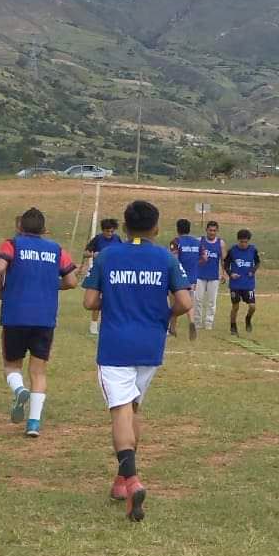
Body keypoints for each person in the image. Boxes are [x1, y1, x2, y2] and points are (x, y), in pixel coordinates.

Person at [83, 199, 193, 521]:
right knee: (132, 408)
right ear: (156, 228)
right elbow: (185, 301)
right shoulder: (164, 257)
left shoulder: (107, 255)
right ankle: (121, 479)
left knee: (120, 410)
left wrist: (114, 297)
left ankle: (132, 479)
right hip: (150, 345)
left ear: (124, 226)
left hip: (116, 345)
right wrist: (162, 312)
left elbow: (90, 301)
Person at [0, 208, 78, 437]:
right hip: (45, 317)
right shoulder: (56, 249)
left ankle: (19, 389)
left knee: (12, 365)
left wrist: (0, 288)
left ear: (20, 226)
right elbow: (71, 281)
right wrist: (51, 285)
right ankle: (33, 423)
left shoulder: (12, 244)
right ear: (44, 230)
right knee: (39, 372)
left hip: (15, 315)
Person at [81, 219, 122, 334]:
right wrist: (94, 254)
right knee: (95, 297)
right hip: (99, 271)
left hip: (113, 271)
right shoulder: (97, 239)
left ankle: (112, 322)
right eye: (108, 231)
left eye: (112, 231)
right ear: (103, 230)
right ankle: (94, 324)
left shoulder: (117, 239)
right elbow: (85, 253)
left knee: (113, 296)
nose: (110, 234)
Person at [169, 219, 203, 340]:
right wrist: (194, 264)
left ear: (178, 229)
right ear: (189, 229)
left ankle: (172, 328)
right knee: (190, 301)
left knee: (174, 302)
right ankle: (192, 321)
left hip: (178, 277)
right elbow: (204, 257)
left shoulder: (176, 241)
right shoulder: (197, 242)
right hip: (193, 277)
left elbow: (174, 259)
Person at [225, 229, 259, 335]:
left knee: (252, 306)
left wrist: (252, 271)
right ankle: (233, 325)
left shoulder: (253, 250)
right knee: (235, 306)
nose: (243, 244)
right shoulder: (232, 251)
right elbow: (226, 264)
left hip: (248, 283)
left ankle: (248, 319)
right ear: (238, 240)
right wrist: (231, 274)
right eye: (241, 242)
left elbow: (257, 263)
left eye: (245, 242)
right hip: (235, 284)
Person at [194, 220, 226, 331]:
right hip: (200, 275)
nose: (212, 233)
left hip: (214, 277)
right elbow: (193, 256)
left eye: (214, 231)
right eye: (210, 230)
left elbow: (223, 260)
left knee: (212, 301)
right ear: (206, 230)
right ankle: (197, 322)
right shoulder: (199, 241)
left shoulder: (220, 243)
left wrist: (224, 273)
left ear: (217, 231)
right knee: (198, 300)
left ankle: (208, 322)